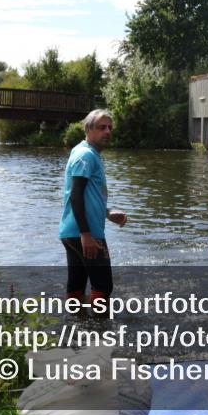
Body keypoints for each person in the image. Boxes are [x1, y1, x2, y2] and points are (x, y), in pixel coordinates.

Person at [58, 109, 126, 310]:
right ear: (88, 129)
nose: (107, 131)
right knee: (103, 288)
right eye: (101, 127)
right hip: (85, 232)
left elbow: (84, 195)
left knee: (77, 287)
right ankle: (99, 336)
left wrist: (107, 213)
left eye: (110, 128)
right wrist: (86, 234)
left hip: (71, 231)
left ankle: (76, 329)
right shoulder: (86, 155)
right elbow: (75, 195)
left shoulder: (84, 152)